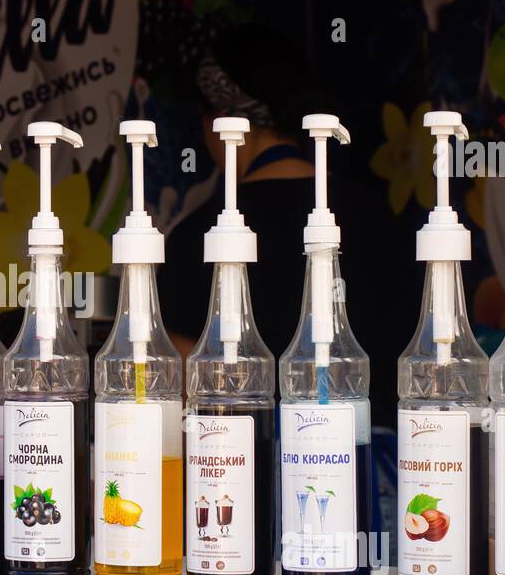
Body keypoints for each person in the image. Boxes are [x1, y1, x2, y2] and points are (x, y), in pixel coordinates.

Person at [158, 22, 411, 423]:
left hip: (236, 473)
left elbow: (182, 390)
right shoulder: (378, 218)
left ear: (218, 120)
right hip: (371, 471)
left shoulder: (196, 236)